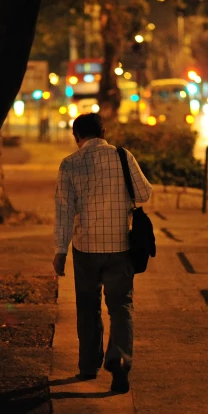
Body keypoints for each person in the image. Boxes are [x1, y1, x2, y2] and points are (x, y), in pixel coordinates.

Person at [53, 113, 152, 394]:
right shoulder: (123, 156)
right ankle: (118, 358)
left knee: (87, 306)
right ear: (104, 131)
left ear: (76, 136)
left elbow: (63, 210)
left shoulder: (69, 164)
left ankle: (88, 365)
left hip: (85, 248)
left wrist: (60, 251)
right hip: (120, 246)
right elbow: (144, 193)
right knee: (121, 307)